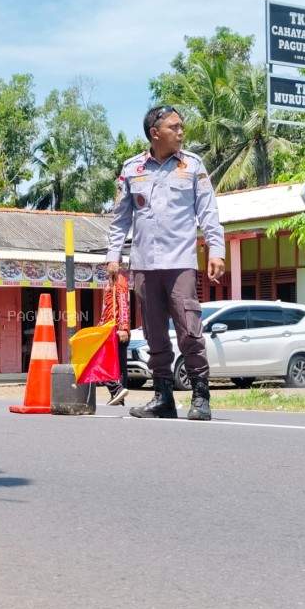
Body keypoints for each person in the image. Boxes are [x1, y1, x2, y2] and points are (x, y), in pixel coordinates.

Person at [106, 105, 225, 420]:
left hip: (180, 263)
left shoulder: (192, 165)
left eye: (181, 126)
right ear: (155, 132)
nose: (181, 132)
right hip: (145, 266)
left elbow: (208, 212)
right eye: (174, 127)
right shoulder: (132, 169)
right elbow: (120, 218)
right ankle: (163, 398)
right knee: (155, 333)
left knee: (189, 329)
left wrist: (216, 249)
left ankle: (201, 397)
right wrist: (113, 256)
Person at [100, 271, 130, 406]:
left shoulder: (120, 280)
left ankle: (117, 390)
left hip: (116, 330)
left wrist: (123, 328)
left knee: (101, 363)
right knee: (118, 366)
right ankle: (118, 396)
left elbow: (123, 304)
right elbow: (105, 309)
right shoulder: (111, 281)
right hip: (109, 329)